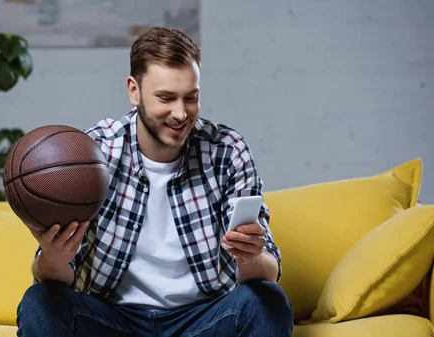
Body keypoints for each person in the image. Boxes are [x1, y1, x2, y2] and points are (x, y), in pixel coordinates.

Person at [16, 27, 294, 337]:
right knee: (39, 302)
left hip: (204, 321)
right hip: (113, 320)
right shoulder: (94, 153)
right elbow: (48, 275)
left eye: (191, 97)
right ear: (133, 90)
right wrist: (54, 257)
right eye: (166, 98)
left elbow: (269, 271)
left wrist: (252, 256)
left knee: (268, 301)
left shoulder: (227, 150)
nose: (180, 113)